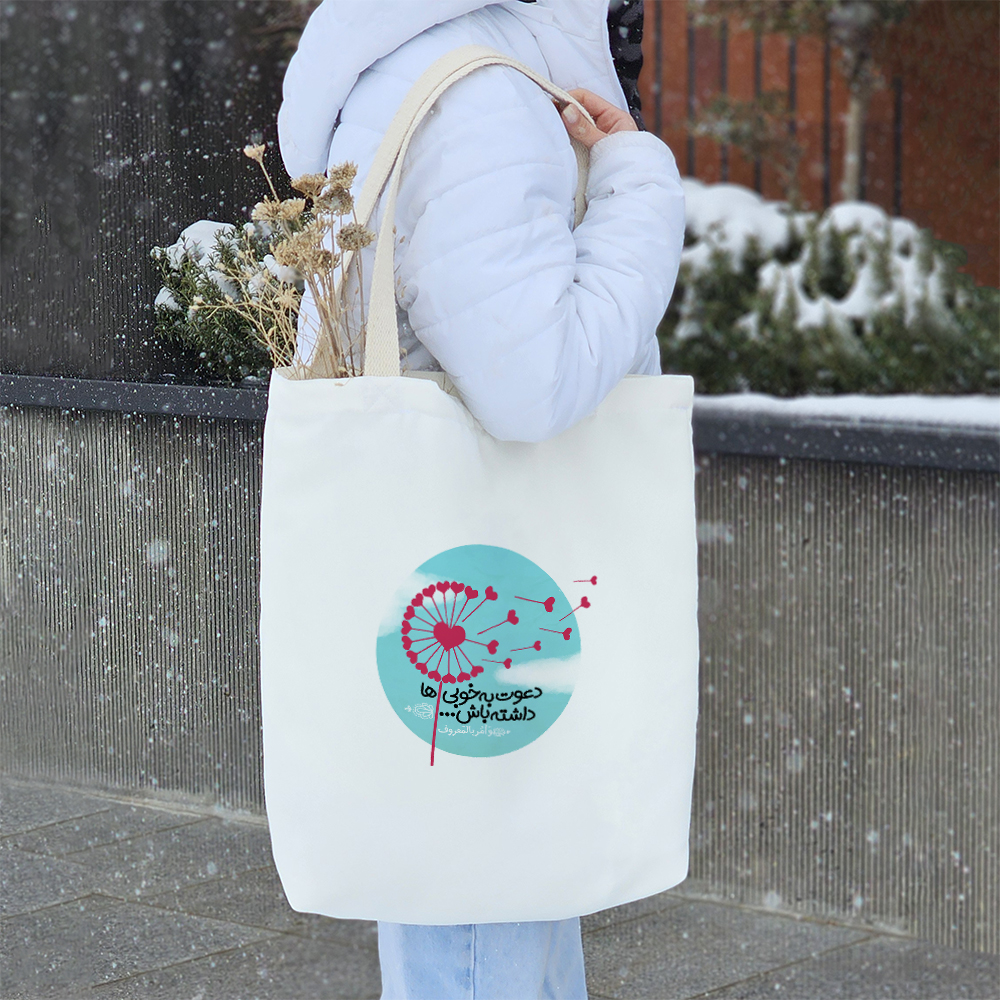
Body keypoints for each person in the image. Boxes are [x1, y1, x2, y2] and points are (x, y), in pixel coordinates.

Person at [277, 1, 685, 996]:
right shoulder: (479, 94)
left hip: (457, 568)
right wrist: (637, 185)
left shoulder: (430, 60)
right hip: (488, 575)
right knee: (484, 903)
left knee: (488, 878)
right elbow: (532, 384)